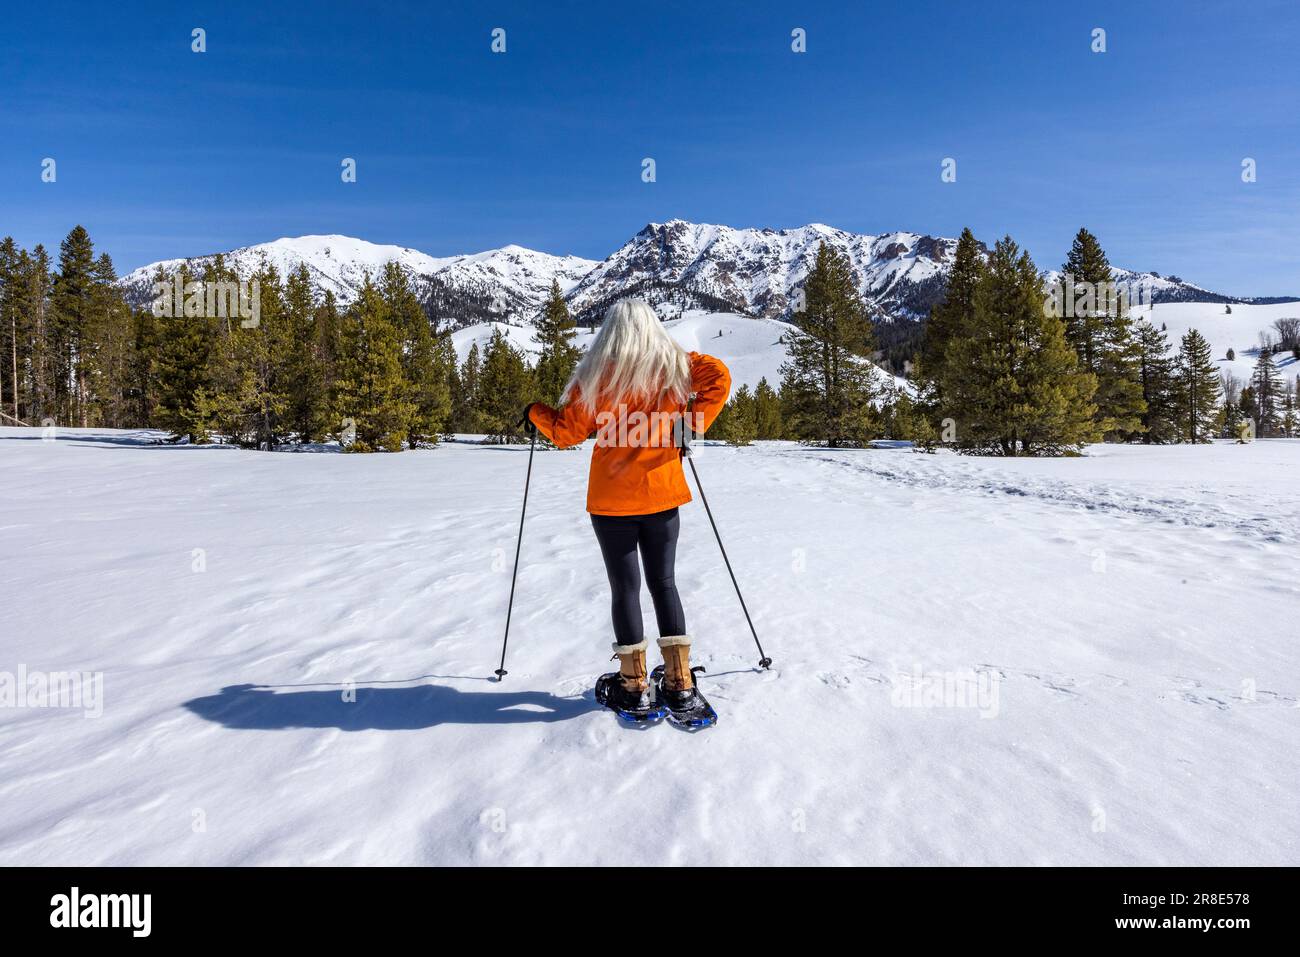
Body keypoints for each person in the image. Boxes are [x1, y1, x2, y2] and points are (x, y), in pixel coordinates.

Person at [523, 298, 731, 717]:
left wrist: (534, 413)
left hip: (611, 502)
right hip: (662, 496)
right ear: (652, 329)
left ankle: (633, 685)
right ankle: (679, 682)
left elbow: (566, 433)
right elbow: (719, 377)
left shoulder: (597, 379)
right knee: (664, 584)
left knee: (625, 589)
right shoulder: (672, 371)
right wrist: (688, 427)